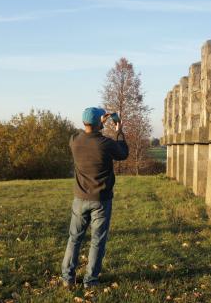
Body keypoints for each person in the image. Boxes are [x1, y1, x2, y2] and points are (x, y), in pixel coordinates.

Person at [61, 107, 129, 288]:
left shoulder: (74, 140)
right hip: (101, 199)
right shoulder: (106, 143)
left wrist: (99, 122)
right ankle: (90, 280)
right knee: (97, 240)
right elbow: (123, 154)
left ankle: (67, 278)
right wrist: (119, 132)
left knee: (74, 238)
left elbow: (88, 131)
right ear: (100, 122)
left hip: (79, 198)